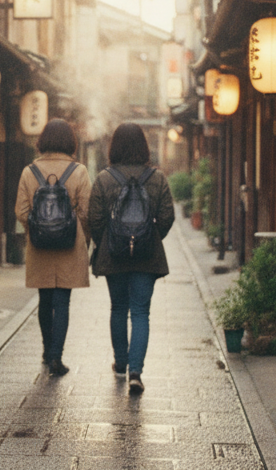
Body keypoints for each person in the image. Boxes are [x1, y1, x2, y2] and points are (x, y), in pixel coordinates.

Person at [87, 124, 176, 395]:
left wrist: (110, 242)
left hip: (113, 257)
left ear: (114, 147)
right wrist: (149, 237)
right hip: (147, 257)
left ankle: (121, 364)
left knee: (118, 308)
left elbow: (95, 219)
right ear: (144, 146)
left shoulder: (104, 178)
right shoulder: (157, 178)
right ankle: (136, 372)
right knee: (140, 312)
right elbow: (168, 216)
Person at [15, 119, 91, 376]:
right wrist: (71, 229)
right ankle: (57, 357)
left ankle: (47, 352)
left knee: (45, 300)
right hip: (70, 247)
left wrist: (38, 228)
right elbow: (86, 212)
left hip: (39, 248)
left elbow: (21, 211)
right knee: (63, 301)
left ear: (43, 140)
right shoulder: (79, 171)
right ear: (70, 142)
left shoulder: (29, 171)